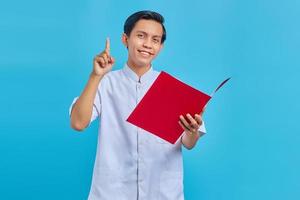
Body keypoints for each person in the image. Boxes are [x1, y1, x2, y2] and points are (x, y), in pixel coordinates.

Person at [69, 10, 206, 200]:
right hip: (111, 193)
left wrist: (192, 130)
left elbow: (189, 143)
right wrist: (96, 76)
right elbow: (78, 123)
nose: (147, 45)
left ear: (160, 47)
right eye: (141, 36)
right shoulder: (105, 83)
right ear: (125, 39)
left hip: (162, 194)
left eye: (155, 39)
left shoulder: (174, 88)